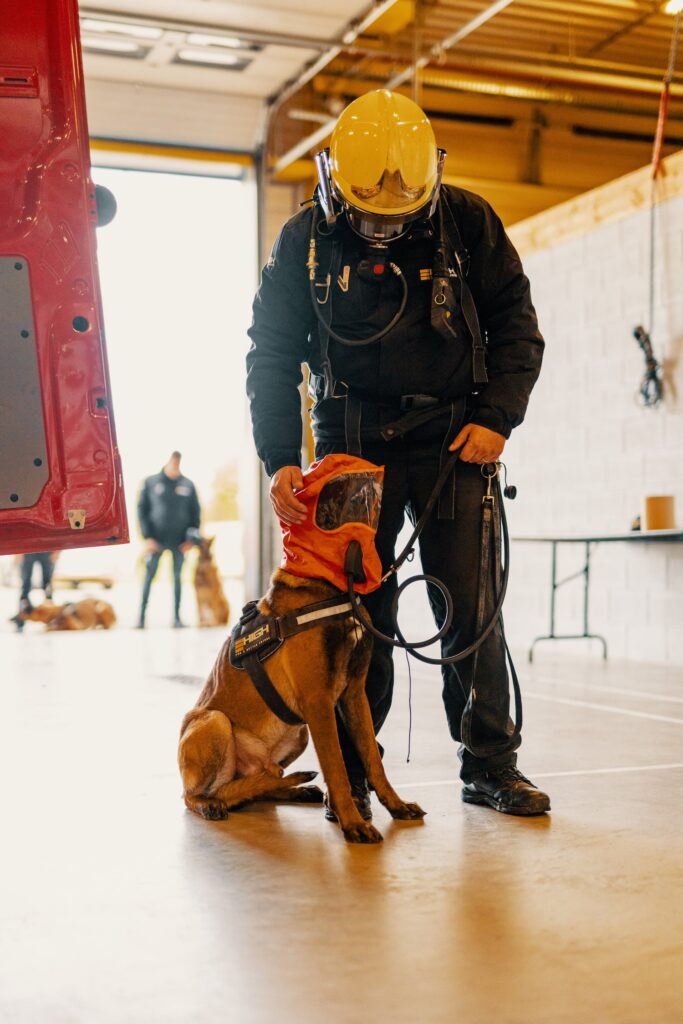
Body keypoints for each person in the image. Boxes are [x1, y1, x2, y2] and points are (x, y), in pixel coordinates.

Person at [246, 90, 550, 817]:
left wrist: (496, 420)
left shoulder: (468, 221)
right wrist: (279, 455)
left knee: (471, 608)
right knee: (354, 612)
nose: (384, 227)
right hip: (350, 445)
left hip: (455, 441)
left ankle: (489, 765)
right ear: (332, 181)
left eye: (399, 217)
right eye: (370, 214)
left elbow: (517, 330)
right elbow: (273, 350)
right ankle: (354, 769)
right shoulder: (303, 241)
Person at [137, 451, 200, 629]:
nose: (175, 467)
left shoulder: (188, 484)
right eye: (173, 464)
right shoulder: (151, 482)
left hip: (180, 542)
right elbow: (142, 511)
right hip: (155, 541)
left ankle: (177, 618)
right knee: (149, 578)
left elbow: (196, 513)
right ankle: (141, 618)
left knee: (178, 578)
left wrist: (191, 540)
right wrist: (147, 537)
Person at [13, 551, 58, 631]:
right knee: (25, 586)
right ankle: (21, 617)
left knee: (47, 585)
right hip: (26, 549)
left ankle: (51, 616)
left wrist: (57, 551)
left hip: (47, 549)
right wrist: (18, 552)